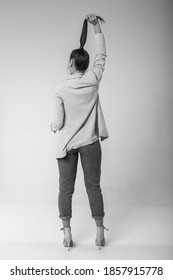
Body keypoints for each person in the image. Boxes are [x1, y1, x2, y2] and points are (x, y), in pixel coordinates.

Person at [50, 13, 109, 250]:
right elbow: (102, 55)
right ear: (85, 65)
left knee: (66, 189)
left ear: (72, 63)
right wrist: (95, 27)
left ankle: (66, 234)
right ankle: (99, 234)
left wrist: (53, 127)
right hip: (91, 143)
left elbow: (57, 122)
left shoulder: (59, 88)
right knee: (93, 187)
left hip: (67, 146)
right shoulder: (94, 78)